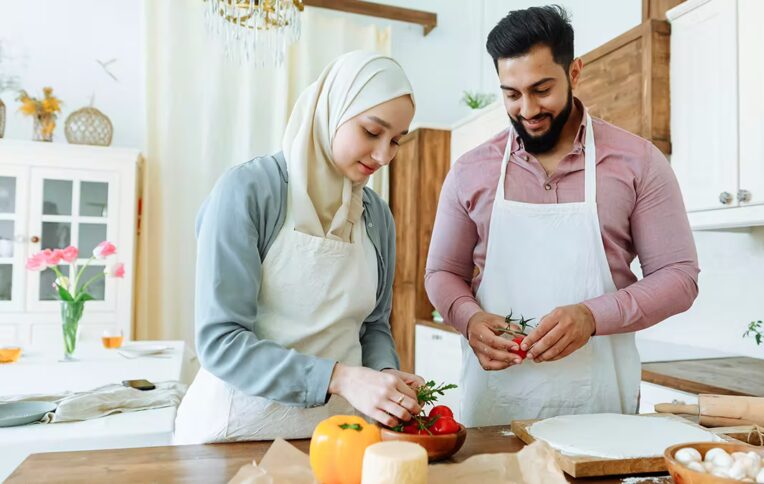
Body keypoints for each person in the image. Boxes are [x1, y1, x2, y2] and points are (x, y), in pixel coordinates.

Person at [425, 6, 700, 427]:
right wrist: (469, 317)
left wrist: (593, 316)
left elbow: (679, 278)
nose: (528, 109)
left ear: (574, 73)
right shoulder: (470, 170)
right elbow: (441, 272)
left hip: (603, 412)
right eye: (512, 94)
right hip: (496, 410)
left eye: (542, 89)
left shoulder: (638, 161)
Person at [174, 50, 423, 443]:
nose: (383, 155)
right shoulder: (249, 191)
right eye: (371, 132)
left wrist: (384, 374)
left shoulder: (376, 215)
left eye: (396, 141)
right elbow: (221, 341)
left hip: (339, 436)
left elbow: (373, 326)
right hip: (235, 434)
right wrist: (339, 378)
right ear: (330, 110)